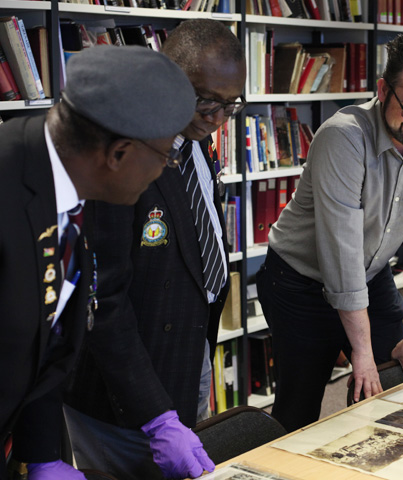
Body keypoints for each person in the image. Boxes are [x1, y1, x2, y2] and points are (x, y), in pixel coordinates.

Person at [0, 45, 196, 480]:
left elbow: (44, 340)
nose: (166, 170)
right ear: (118, 153)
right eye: (166, 155)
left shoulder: (70, 180)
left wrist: (42, 454)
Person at [63, 19, 246, 480]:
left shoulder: (197, 139)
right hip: (121, 392)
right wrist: (155, 415)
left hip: (187, 358)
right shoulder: (119, 153)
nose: (217, 118)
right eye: (206, 100)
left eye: (230, 105)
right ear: (168, 75)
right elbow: (103, 302)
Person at [257, 32, 403, 432]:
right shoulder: (343, 136)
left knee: (395, 392)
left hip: (372, 271)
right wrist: (360, 353)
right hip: (298, 280)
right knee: (299, 412)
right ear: (384, 90)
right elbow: (342, 252)